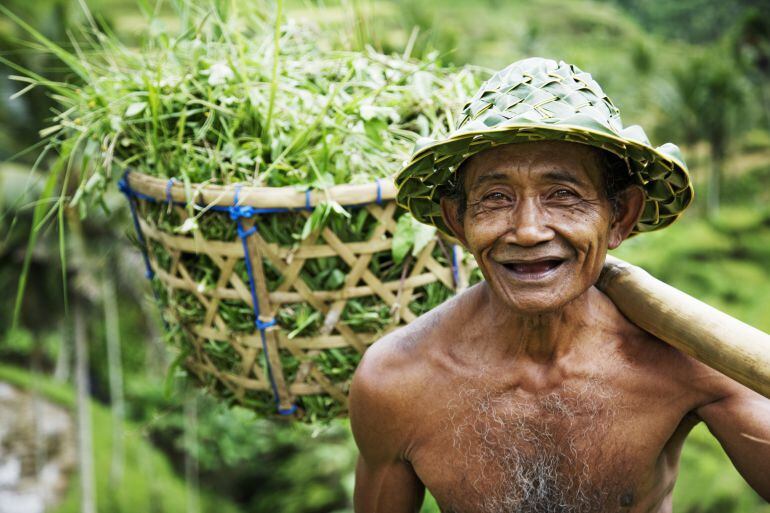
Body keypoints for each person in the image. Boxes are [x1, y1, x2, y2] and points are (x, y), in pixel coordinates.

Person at [349, 58, 770, 513]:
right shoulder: (395, 381)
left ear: (620, 216)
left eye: (563, 195)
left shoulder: (690, 358)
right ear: (459, 221)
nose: (528, 230)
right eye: (496, 198)